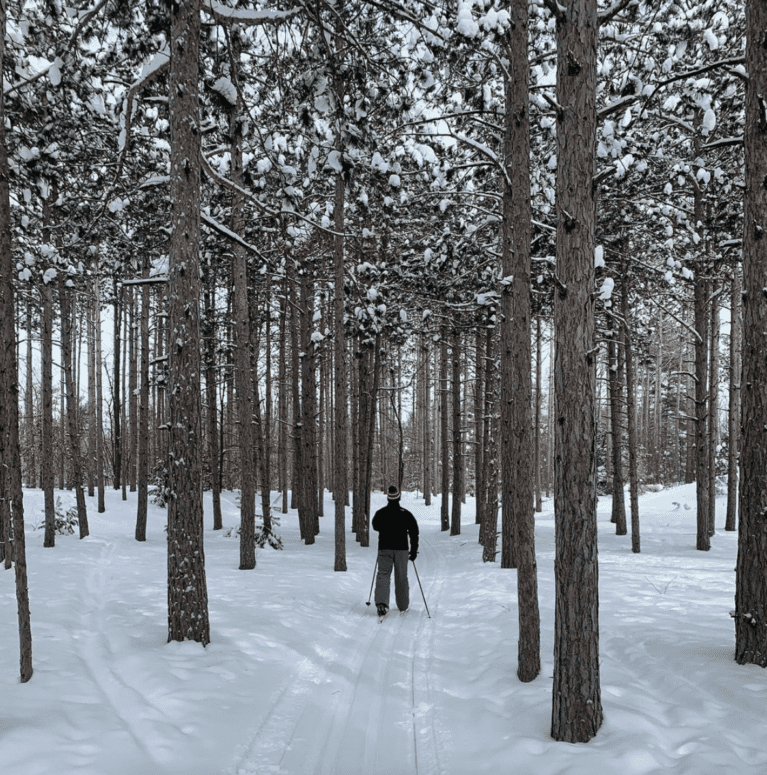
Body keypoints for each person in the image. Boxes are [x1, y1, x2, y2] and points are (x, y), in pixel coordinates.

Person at [372, 485, 419, 617]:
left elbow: (375, 526)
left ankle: (381, 604)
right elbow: (414, 532)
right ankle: (403, 605)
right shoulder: (406, 514)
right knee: (401, 577)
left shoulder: (380, 513)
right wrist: (414, 550)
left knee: (383, 575)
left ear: (388, 498)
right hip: (402, 550)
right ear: (399, 498)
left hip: (384, 549)